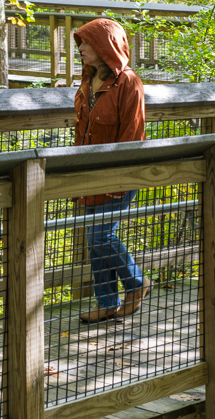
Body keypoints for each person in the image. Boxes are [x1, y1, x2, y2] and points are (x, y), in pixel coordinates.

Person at [73, 18, 151, 323]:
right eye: (80, 43)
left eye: (87, 43)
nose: (81, 48)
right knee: (95, 241)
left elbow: (133, 134)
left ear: (105, 46)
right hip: (89, 174)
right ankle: (107, 304)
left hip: (119, 174)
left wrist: (119, 177)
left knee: (100, 236)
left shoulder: (128, 82)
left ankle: (137, 283)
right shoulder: (87, 80)